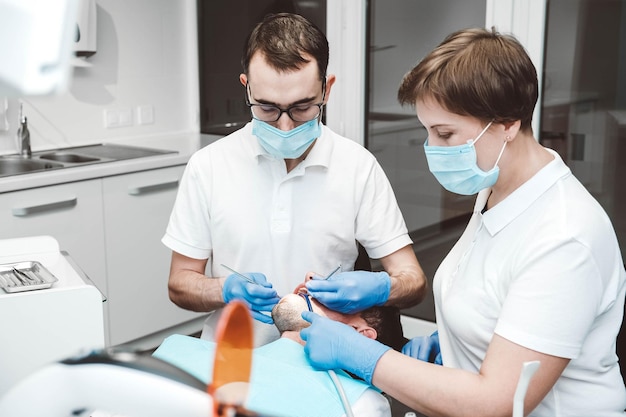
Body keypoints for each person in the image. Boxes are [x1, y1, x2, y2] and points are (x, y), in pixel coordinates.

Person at [299, 27, 626, 417]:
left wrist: (364, 356)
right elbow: (497, 299)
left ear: (507, 122)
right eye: (427, 131)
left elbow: (497, 402)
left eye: (445, 133)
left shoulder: (565, 235)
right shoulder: (496, 191)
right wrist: (455, 344)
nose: (431, 149)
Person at [162, 12, 426, 346]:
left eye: (302, 108)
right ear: (247, 88)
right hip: (233, 358)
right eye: (267, 109)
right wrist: (223, 289)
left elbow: (413, 279)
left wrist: (383, 288)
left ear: (326, 90)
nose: (285, 125)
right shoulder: (208, 166)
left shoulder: (358, 167)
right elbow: (180, 284)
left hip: (325, 360)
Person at [153, 290, 408, 417]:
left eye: (334, 297)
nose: (306, 287)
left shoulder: (358, 404)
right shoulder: (180, 347)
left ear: (359, 335)